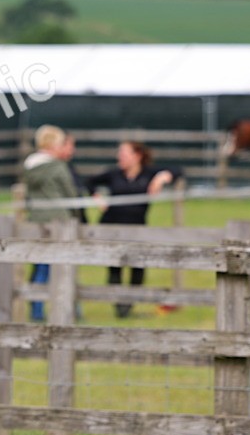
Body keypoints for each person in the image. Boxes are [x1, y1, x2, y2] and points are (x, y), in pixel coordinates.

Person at [87, 141, 180, 318]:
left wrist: (161, 178)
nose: (119, 157)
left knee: (138, 267)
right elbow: (89, 182)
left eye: (124, 154)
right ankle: (120, 308)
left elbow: (177, 171)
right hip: (113, 226)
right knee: (115, 268)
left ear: (137, 156)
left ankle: (128, 304)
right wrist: (98, 198)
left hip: (137, 227)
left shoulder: (148, 174)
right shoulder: (114, 174)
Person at [22, 125, 79, 322]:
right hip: (60, 222)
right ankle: (72, 308)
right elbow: (70, 194)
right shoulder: (57, 166)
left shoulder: (29, 166)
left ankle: (36, 308)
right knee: (64, 267)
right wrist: (77, 216)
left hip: (37, 221)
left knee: (40, 266)